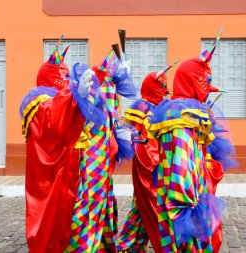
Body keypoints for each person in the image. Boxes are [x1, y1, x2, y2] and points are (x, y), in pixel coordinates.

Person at [148, 30, 235, 252]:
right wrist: (186, 211)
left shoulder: (189, 111)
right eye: (205, 80)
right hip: (181, 202)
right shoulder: (181, 115)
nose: (208, 87)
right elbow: (181, 164)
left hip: (191, 194)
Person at [20, 39, 106, 253]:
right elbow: (52, 117)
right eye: (63, 76)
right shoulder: (38, 102)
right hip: (53, 179)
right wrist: (73, 96)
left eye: (69, 76)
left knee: (74, 218)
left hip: (73, 173)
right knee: (53, 222)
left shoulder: (63, 98)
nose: (67, 80)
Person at [65, 47, 138, 253]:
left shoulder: (110, 85)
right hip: (92, 153)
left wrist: (122, 132)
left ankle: (102, 244)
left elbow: (111, 118)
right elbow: (88, 117)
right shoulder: (98, 84)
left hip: (105, 154)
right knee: (90, 199)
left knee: (103, 197)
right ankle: (81, 246)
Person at [117, 62, 177, 253]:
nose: (165, 91)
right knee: (151, 204)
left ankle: (129, 243)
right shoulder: (141, 106)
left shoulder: (163, 107)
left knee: (141, 205)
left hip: (162, 164)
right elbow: (131, 134)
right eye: (161, 86)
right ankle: (162, 244)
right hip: (148, 166)